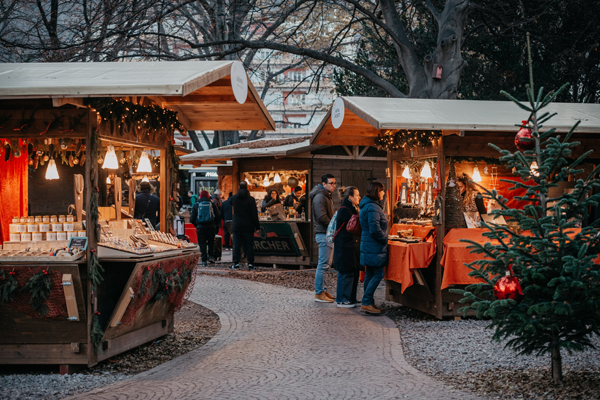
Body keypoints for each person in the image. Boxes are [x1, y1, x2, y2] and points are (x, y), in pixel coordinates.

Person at [359, 181, 388, 315]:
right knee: (378, 274)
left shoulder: (367, 205)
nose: (383, 193)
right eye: (382, 191)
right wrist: (385, 238)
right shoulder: (373, 207)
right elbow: (375, 229)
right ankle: (366, 302)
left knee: (370, 273)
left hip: (368, 244)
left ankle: (368, 301)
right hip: (374, 246)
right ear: (376, 192)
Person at [309, 173, 337, 302]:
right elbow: (321, 216)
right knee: (323, 265)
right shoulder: (320, 196)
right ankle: (319, 292)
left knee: (325, 265)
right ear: (324, 184)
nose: (334, 186)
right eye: (331, 183)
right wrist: (332, 226)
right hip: (323, 233)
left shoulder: (325, 196)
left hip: (326, 233)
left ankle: (324, 291)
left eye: (334, 183)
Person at [334, 186, 361, 307]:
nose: (359, 197)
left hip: (350, 245)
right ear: (350, 197)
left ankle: (350, 298)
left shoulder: (351, 208)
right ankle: (342, 299)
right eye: (357, 195)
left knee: (353, 271)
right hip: (345, 245)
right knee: (346, 272)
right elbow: (354, 225)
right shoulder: (345, 209)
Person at [230, 181, 260, 270]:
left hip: (237, 225)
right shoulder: (251, 199)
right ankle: (250, 263)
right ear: (247, 187)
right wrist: (257, 227)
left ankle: (236, 263)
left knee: (237, 245)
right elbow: (254, 214)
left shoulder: (234, 198)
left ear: (239, 186)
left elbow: (230, 202)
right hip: (248, 225)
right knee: (249, 245)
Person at [190, 190, 221, 266]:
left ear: (200, 196)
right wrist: (215, 224)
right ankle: (211, 257)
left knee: (202, 243)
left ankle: (204, 260)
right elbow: (218, 216)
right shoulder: (212, 204)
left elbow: (192, 219)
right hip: (211, 227)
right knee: (211, 242)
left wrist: (197, 225)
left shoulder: (196, 205)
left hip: (200, 228)